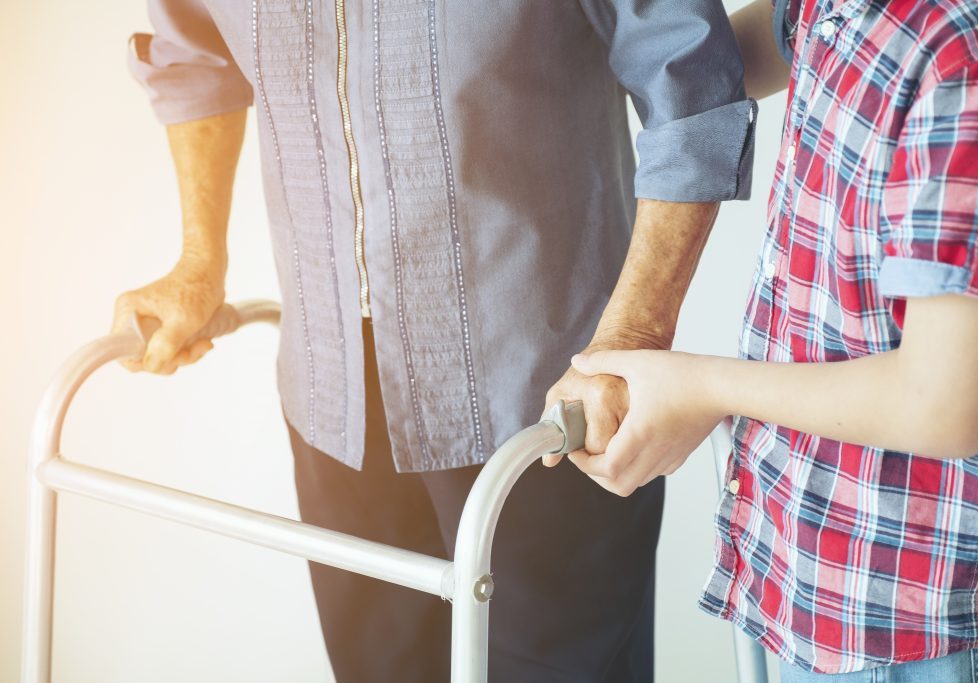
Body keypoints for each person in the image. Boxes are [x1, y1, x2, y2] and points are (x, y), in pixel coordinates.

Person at [112, 1, 757, 680]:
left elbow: (688, 73)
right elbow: (194, 53)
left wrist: (635, 332)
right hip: (330, 401)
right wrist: (198, 262)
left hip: (547, 405)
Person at [558, 0, 978, 680]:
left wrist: (702, 386)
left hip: (921, 616)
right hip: (811, 583)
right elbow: (712, 65)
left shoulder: (970, 50)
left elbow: (944, 401)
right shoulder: (832, 7)